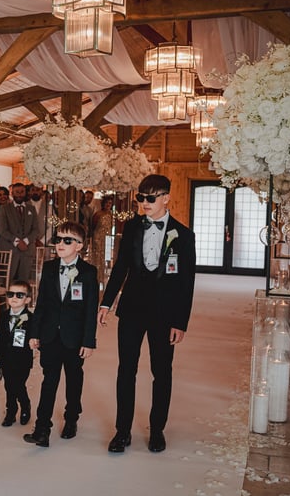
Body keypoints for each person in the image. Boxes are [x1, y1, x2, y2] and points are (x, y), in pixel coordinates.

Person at [98, 174, 196, 454]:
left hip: (164, 314)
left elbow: (186, 282)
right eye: (141, 197)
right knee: (126, 369)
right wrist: (106, 303)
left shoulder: (184, 236)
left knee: (161, 372)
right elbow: (121, 267)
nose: (144, 203)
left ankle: (157, 430)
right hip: (131, 309)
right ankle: (122, 431)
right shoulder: (131, 228)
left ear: (166, 198)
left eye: (150, 198)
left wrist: (180, 321)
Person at [23, 221, 98, 448]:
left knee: (74, 380)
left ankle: (71, 418)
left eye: (67, 240)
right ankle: (42, 429)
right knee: (49, 380)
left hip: (74, 338)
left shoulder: (88, 272)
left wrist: (88, 341)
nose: (60, 244)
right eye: (58, 239)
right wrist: (34, 332)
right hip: (50, 336)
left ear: (79, 246)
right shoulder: (48, 268)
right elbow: (41, 304)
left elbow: (90, 310)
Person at [0, 280, 33, 428]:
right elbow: (0, 335)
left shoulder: (31, 318)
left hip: (22, 359)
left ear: (27, 299)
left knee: (18, 385)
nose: (14, 298)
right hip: (6, 357)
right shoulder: (4, 315)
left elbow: (34, 337)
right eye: (10, 294)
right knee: (8, 386)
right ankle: (11, 411)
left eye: (19, 295)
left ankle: (25, 404)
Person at [0, 182, 40, 281]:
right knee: (8, 281)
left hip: (27, 250)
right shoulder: (5, 209)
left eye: (22, 192)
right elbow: (3, 230)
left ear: (25, 193)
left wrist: (25, 241)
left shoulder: (31, 209)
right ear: (12, 193)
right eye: (17, 192)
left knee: (24, 281)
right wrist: (17, 241)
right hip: (10, 250)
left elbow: (36, 230)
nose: (19, 194)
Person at [89, 195, 114, 275]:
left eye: (110, 203)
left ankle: (103, 274)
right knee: (97, 257)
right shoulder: (98, 214)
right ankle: (96, 274)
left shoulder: (111, 215)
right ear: (103, 203)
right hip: (98, 238)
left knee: (105, 257)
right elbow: (93, 227)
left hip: (107, 238)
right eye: (107, 203)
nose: (108, 205)